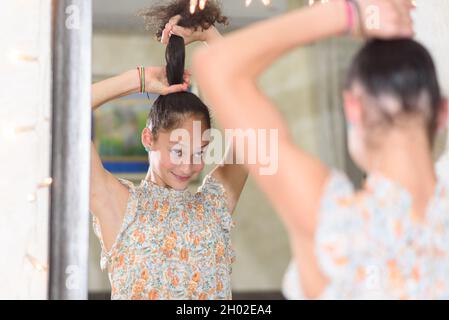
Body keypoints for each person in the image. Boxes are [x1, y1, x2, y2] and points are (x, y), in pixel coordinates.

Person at [193, 0, 449, 299]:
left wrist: (350, 14)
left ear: (353, 107)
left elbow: (216, 66)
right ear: (442, 113)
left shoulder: (331, 217)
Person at [90, 0, 247, 300]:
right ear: (148, 139)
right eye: (178, 152)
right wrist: (138, 80)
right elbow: (65, 111)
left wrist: (208, 34)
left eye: (199, 152)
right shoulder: (118, 206)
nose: (189, 166)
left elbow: (251, 114)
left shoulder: (214, 206)